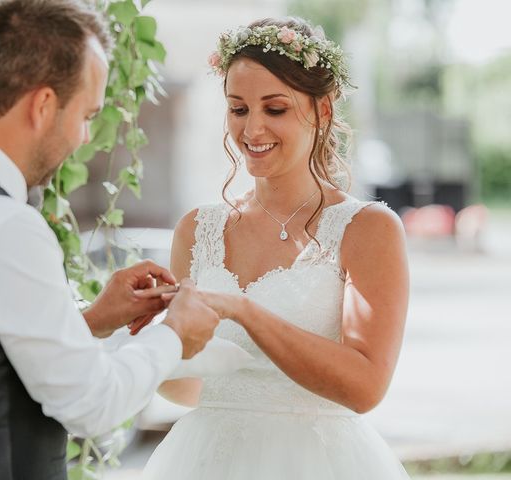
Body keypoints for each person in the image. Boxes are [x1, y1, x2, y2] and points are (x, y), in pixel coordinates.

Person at [0, 1, 219, 479]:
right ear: (42, 105)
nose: (83, 137)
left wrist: (93, 322)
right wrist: (174, 333)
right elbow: (92, 404)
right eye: (86, 115)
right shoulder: (0, 223)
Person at [140, 17, 410, 479]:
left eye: (275, 109)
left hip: (318, 462)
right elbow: (190, 388)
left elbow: (366, 387)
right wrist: (150, 336)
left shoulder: (367, 228)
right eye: (239, 108)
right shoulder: (197, 229)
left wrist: (244, 311)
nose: (253, 128)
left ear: (322, 110)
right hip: (205, 459)